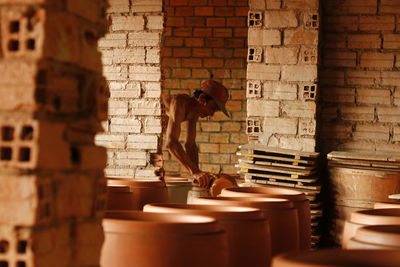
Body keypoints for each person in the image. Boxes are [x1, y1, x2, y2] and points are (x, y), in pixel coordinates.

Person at [162, 80, 229, 188]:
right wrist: (195, 171)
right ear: (202, 99)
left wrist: (200, 176)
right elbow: (171, 143)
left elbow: (190, 145)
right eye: (212, 108)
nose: (211, 114)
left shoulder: (195, 111)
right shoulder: (178, 102)